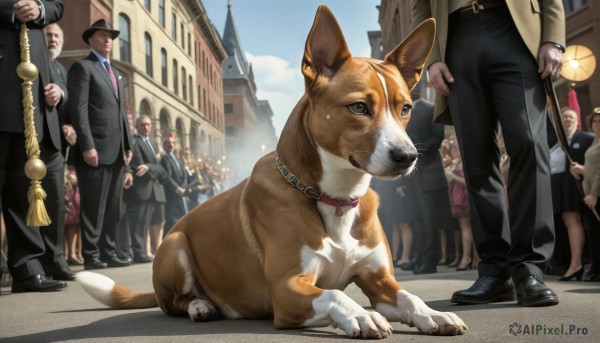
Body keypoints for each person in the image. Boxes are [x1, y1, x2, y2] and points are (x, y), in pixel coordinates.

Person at [412, 0, 564, 306]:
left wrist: (554, 38)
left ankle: (530, 268)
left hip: (514, 30)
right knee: (476, 159)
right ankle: (495, 273)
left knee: (529, 145)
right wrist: (433, 57)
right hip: (456, 39)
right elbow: (420, 5)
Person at [0, 0, 67, 292]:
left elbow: (57, 6)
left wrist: (40, 9)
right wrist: (7, 10)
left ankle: (27, 267)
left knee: (21, 184)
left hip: (29, 92)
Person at [67, 19, 133, 270]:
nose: (108, 40)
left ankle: (109, 251)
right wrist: (87, 145)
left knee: (113, 208)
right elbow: (79, 110)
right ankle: (92, 256)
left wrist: (129, 147)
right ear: (90, 39)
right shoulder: (83, 67)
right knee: (93, 207)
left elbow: (123, 114)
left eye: (111, 36)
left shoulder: (116, 74)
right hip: (94, 151)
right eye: (102, 35)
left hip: (117, 152)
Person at [38, 21, 77, 281]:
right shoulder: (29, 59)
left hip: (53, 146)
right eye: (48, 34)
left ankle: (55, 261)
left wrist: (69, 126)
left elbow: (66, 109)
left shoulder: (61, 71)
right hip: (28, 142)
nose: (52, 39)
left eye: (56, 36)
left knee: (56, 204)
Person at [404, 96, 451, 275]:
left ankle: (429, 260)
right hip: (419, 175)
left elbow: (437, 136)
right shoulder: (409, 110)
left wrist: (415, 153)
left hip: (428, 174)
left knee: (428, 221)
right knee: (419, 220)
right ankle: (421, 257)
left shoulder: (427, 108)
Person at [549, 107, 593, 281]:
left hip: (574, 186)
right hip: (557, 186)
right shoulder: (554, 141)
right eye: (564, 117)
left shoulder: (586, 138)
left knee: (572, 220)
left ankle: (577, 263)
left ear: (577, 120)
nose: (567, 119)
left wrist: (583, 170)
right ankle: (567, 262)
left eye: (570, 117)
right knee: (563, 223)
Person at [121, 115, 166, 263]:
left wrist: (149, 167)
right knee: (138, 223)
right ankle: (138, 253)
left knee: (146, 223)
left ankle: (142, 252)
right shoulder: (135, 141)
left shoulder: (153, 145)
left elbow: (161, 169)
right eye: (142, 125)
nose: (146, 127)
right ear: (137, 126)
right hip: (140, 189)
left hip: (152, 189)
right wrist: (148, 167)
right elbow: (136, 164)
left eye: (148, 125)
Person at [570, 107, 600, 282]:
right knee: (595, 234)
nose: (597, 124)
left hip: (596, 195)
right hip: (590, 193)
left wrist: (595, 194)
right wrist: (581, 170)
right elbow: (593, 169)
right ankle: (596, 268)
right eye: (595, 121)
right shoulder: (595, 142)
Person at [370, 177, 415, 269]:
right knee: (395, 224)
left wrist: (399, 184)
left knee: (404, 223)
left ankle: (405, 257)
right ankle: (394, 257)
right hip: (390, 188)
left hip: (401, 187)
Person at [445, 137, 475, 271]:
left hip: (465, 198)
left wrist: (453, 176)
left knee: (467, 228)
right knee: (466, 228)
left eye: (456, 147)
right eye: (452, 148)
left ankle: (466, 258)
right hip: (458, 197)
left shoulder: (465, 160)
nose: (454, 150)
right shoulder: (457, 161)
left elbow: (468, 183)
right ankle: (472, 259)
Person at [160, 135, 188, 237]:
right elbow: (167, 176)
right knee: (171, 219)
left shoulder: (177, 158)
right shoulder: (164, 158)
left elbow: (184, 173)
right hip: (171, 193)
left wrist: (183, 187)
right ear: (164, 145)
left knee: (181, 217)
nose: (170, 145)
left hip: (181, 192)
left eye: (172, 143)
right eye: (168, 143)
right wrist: (177, 188)